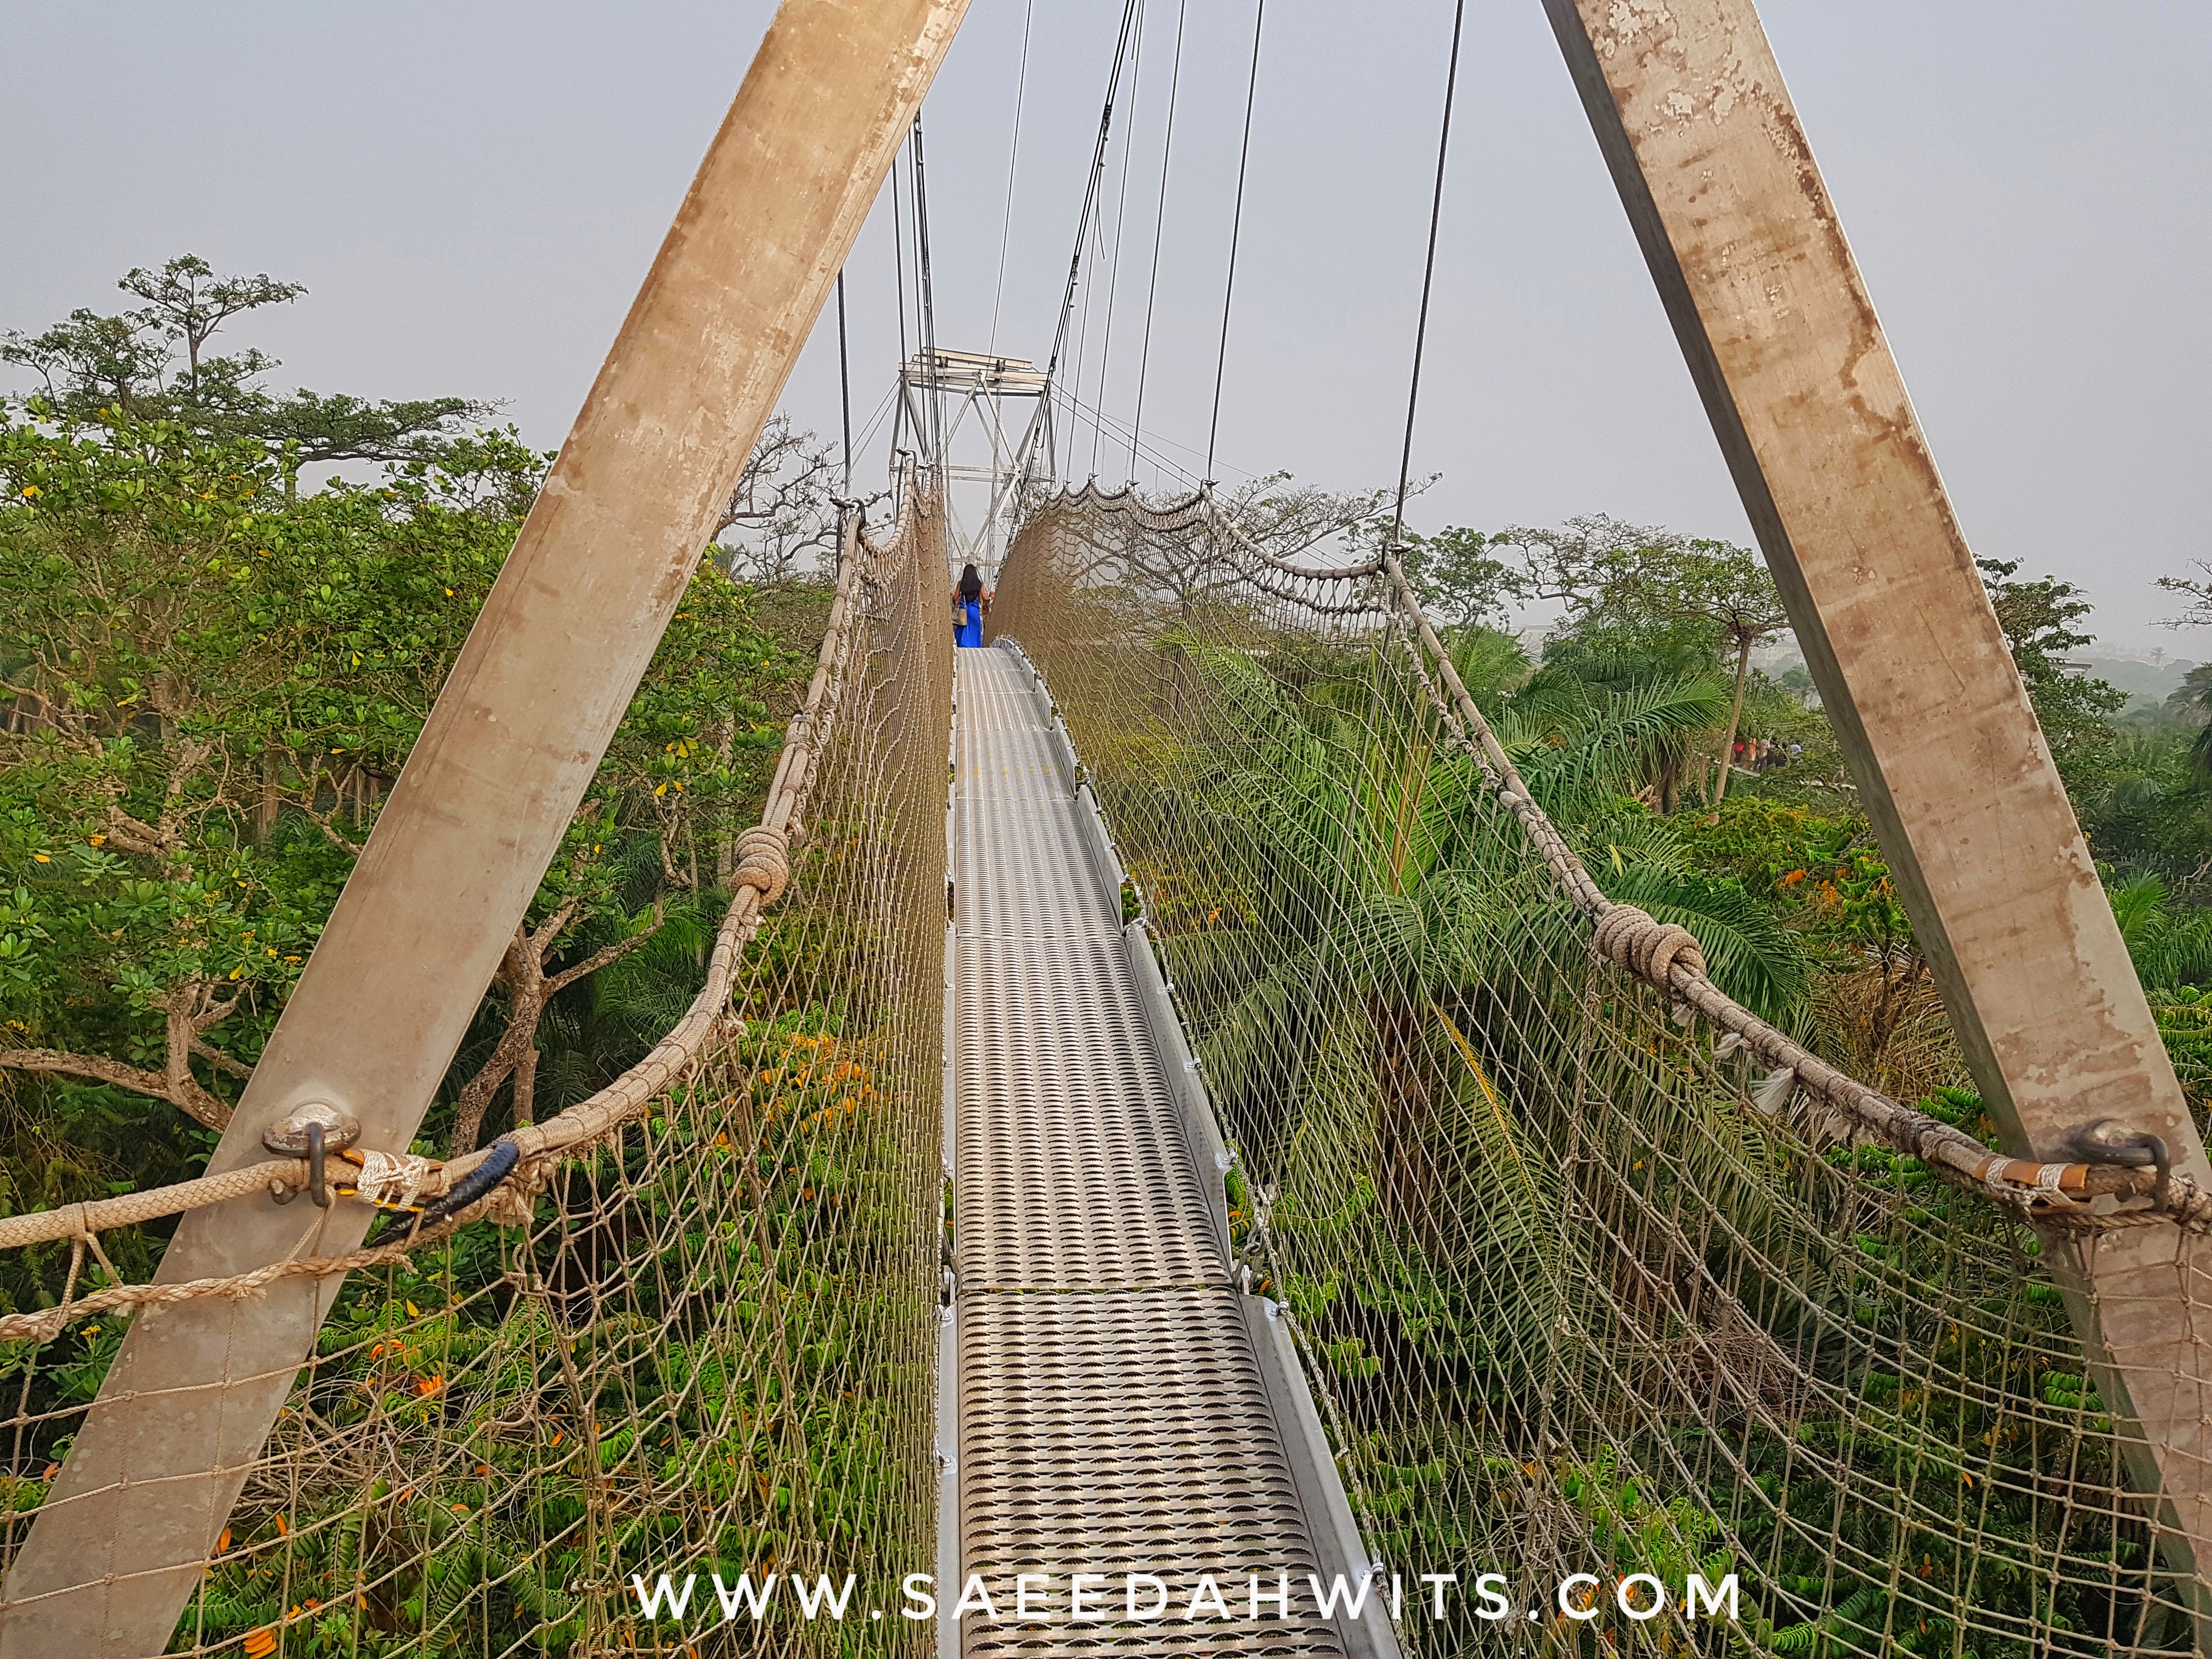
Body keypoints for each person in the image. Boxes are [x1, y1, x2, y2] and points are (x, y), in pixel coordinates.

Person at [953, 563, 989, 648]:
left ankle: (962, 645)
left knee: (962, 627)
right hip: (974, 611)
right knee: (974, 629)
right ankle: (974, 646)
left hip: (963, 610)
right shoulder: (979, 584)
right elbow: (985, 598)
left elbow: (955, 598)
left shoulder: (961, 584)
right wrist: (992, 597)